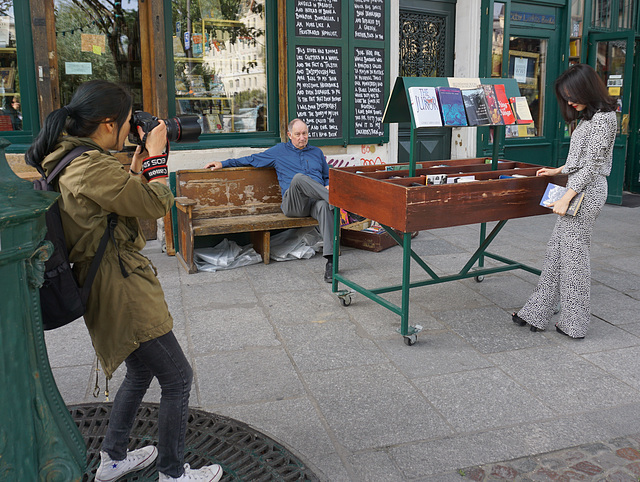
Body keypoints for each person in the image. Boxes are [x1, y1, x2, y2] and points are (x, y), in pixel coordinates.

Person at [25, 80, 223, 482]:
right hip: (121, 289)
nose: (133, 127)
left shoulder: (73, 159)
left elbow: (112, 205)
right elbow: (154, 203)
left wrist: (135, 164)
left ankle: (113, 456)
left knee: (140, 371)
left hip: (107, 283)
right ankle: (172, 472)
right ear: (107, 123)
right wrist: (155, 159)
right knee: (177, 377)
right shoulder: (88, 166)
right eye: (130, 122)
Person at [512, 64, 617, 339]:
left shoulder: (605, 119)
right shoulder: (590, 118)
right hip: (579, 187)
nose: (569, 102)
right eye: (566, 96)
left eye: (572, 95)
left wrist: (568, 195)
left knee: (574, 258)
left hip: (587, 191)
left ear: (587, 89)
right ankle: (537, 310)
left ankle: (575, 322)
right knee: (557, 253)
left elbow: (593, 165)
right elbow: (583, 158)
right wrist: (558, 170)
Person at [205, 118, 335, 282]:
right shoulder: (279, 151)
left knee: (324, 205)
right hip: (294, 204)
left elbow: (327, 176)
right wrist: (223, 163)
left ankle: (331, 262)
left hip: (315, 203)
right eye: (298, 134)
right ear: (289, 135)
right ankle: (340, 202)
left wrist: (329, 185)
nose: (302, 137)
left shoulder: (316, 152)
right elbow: (252, 159)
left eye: (305, 133)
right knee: (299, 178)